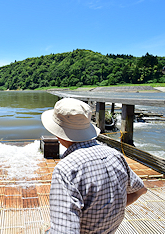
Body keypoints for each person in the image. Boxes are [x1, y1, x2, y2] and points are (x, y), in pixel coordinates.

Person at [41, 98, 147, 233]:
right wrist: (107, 211)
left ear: (59, 134)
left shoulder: (66, 169)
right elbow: (140, 190)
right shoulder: (114, 155)